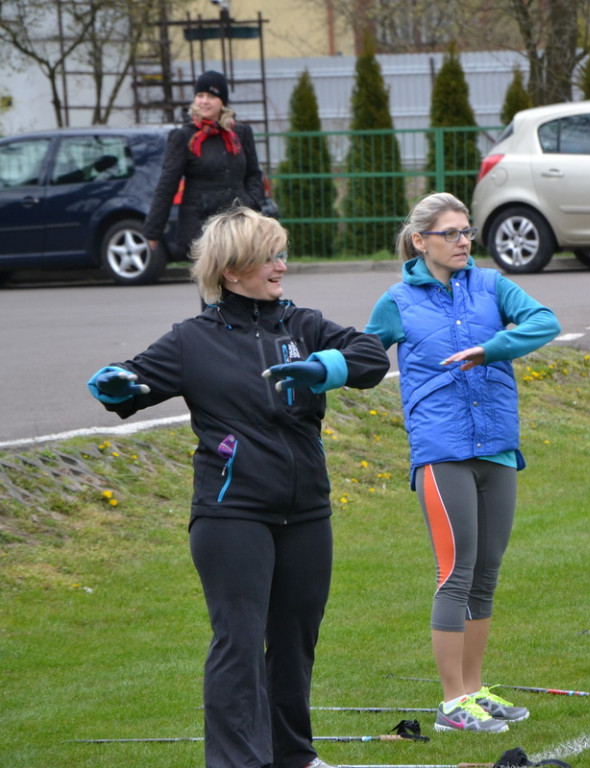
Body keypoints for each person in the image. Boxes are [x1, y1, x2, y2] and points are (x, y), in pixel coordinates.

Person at [87, 207, 390, 768]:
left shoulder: (303, 325)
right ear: (230, 271)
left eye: (281, 254)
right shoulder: (191, 340)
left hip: (306, 512)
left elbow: (370, 356)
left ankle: (293, 755)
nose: (282, 266)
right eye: (269, 257)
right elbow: (130, 384)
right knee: (240, 643)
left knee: (295, 643)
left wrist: (325, 368)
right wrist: (115, 385)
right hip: (232, 516)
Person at [364, 192, 560, 732]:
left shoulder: (492, 285)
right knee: (455, 574)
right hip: (442, 452)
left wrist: (490, 349)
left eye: (467, 231)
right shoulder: (397, 301)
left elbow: (544, 322)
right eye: (450, 233)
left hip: (497, 447)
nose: (463, 241)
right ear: (420, 241)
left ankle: (473, 690)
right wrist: (322, 369)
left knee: (486, 575)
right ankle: (452, 703)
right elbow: (361, 355)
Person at [144, 70, 264, 268]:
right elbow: (167, 185)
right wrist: (153, 231)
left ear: (222, 101)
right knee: (213, 285)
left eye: (211, 96)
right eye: (200, 95)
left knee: (239, 284)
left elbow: (253, 175)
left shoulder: (240, 133)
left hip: (237, 226)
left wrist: (251, 204)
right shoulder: (183, 137)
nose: (204, 101)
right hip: (201, 228)